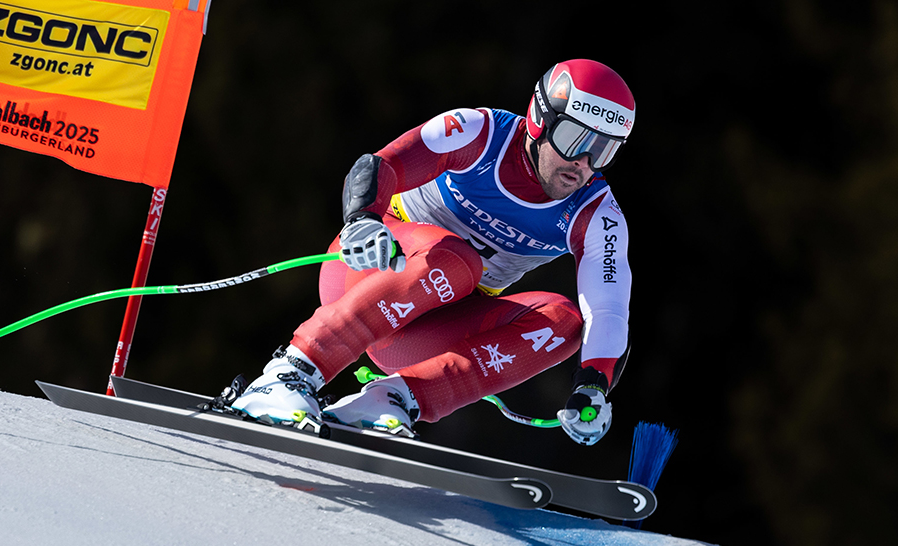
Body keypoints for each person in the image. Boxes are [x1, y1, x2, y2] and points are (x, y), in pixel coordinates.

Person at [227, 58, 634, 446]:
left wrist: (593, 386)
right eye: (574, 139)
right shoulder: (481, 133)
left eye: (603, 150)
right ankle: (289, 374)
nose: (583, 163)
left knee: (563, 322)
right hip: (368, 274)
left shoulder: (597, 213)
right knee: (458, 261)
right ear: (539, 119)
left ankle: (395, 398)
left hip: (426, 330)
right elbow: (382, 164)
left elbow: (609, 309)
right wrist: (361, 219)